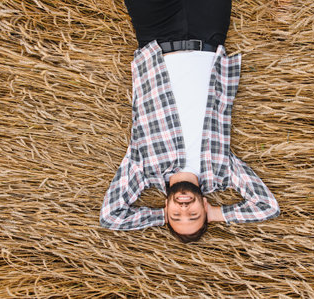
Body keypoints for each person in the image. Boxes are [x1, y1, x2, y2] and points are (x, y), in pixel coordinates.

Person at [100, 0, 280, 243]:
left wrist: (159, 216)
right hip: (208, 33)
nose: (184, 209)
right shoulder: (222, 171)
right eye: (194, 215)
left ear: (167, 208)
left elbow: (111, 217)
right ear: (204, 206)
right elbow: (267, 207)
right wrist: (217, 214)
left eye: (176, 215)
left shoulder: (142, 169)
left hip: (155, 37)